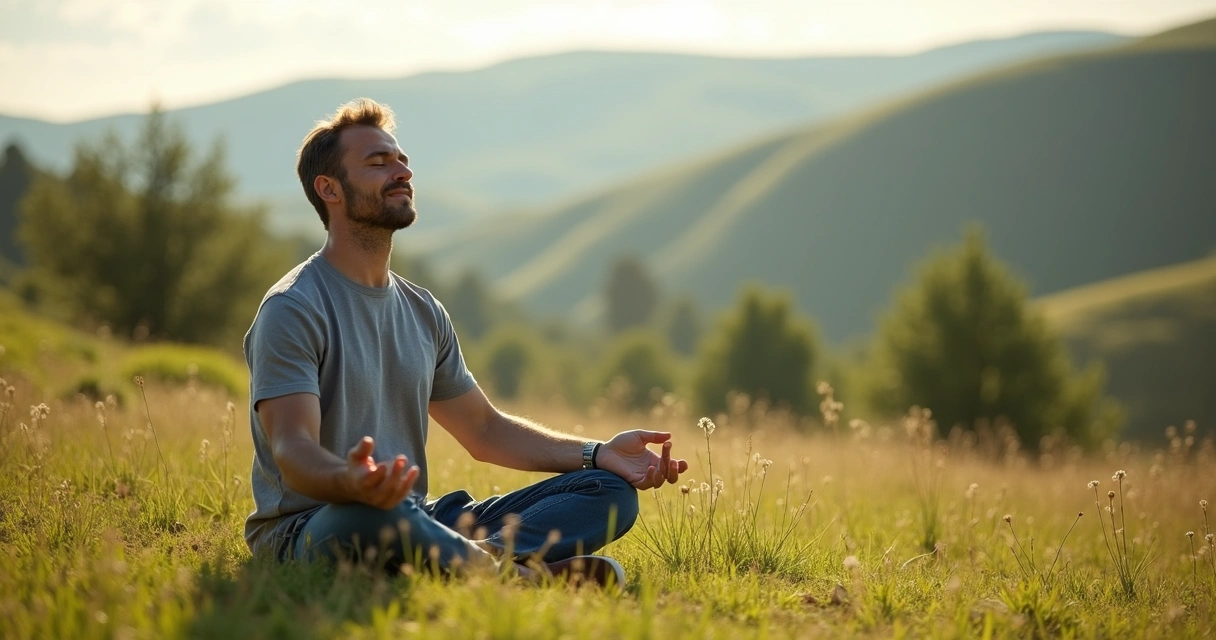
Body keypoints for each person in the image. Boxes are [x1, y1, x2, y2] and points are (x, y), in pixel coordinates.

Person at [243, 97, 689, 585]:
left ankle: (470, 558)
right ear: (329, 188)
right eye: (379, 162)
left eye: (401, 160)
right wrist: (350, 482)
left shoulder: (422, 310)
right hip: (315, 526)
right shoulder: (294, 308)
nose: (402, 171)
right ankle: (512, 576)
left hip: (414, 514)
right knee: (376, 517)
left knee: (608, 492)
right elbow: (293, 450)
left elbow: (484, 429)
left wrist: (599, 452)